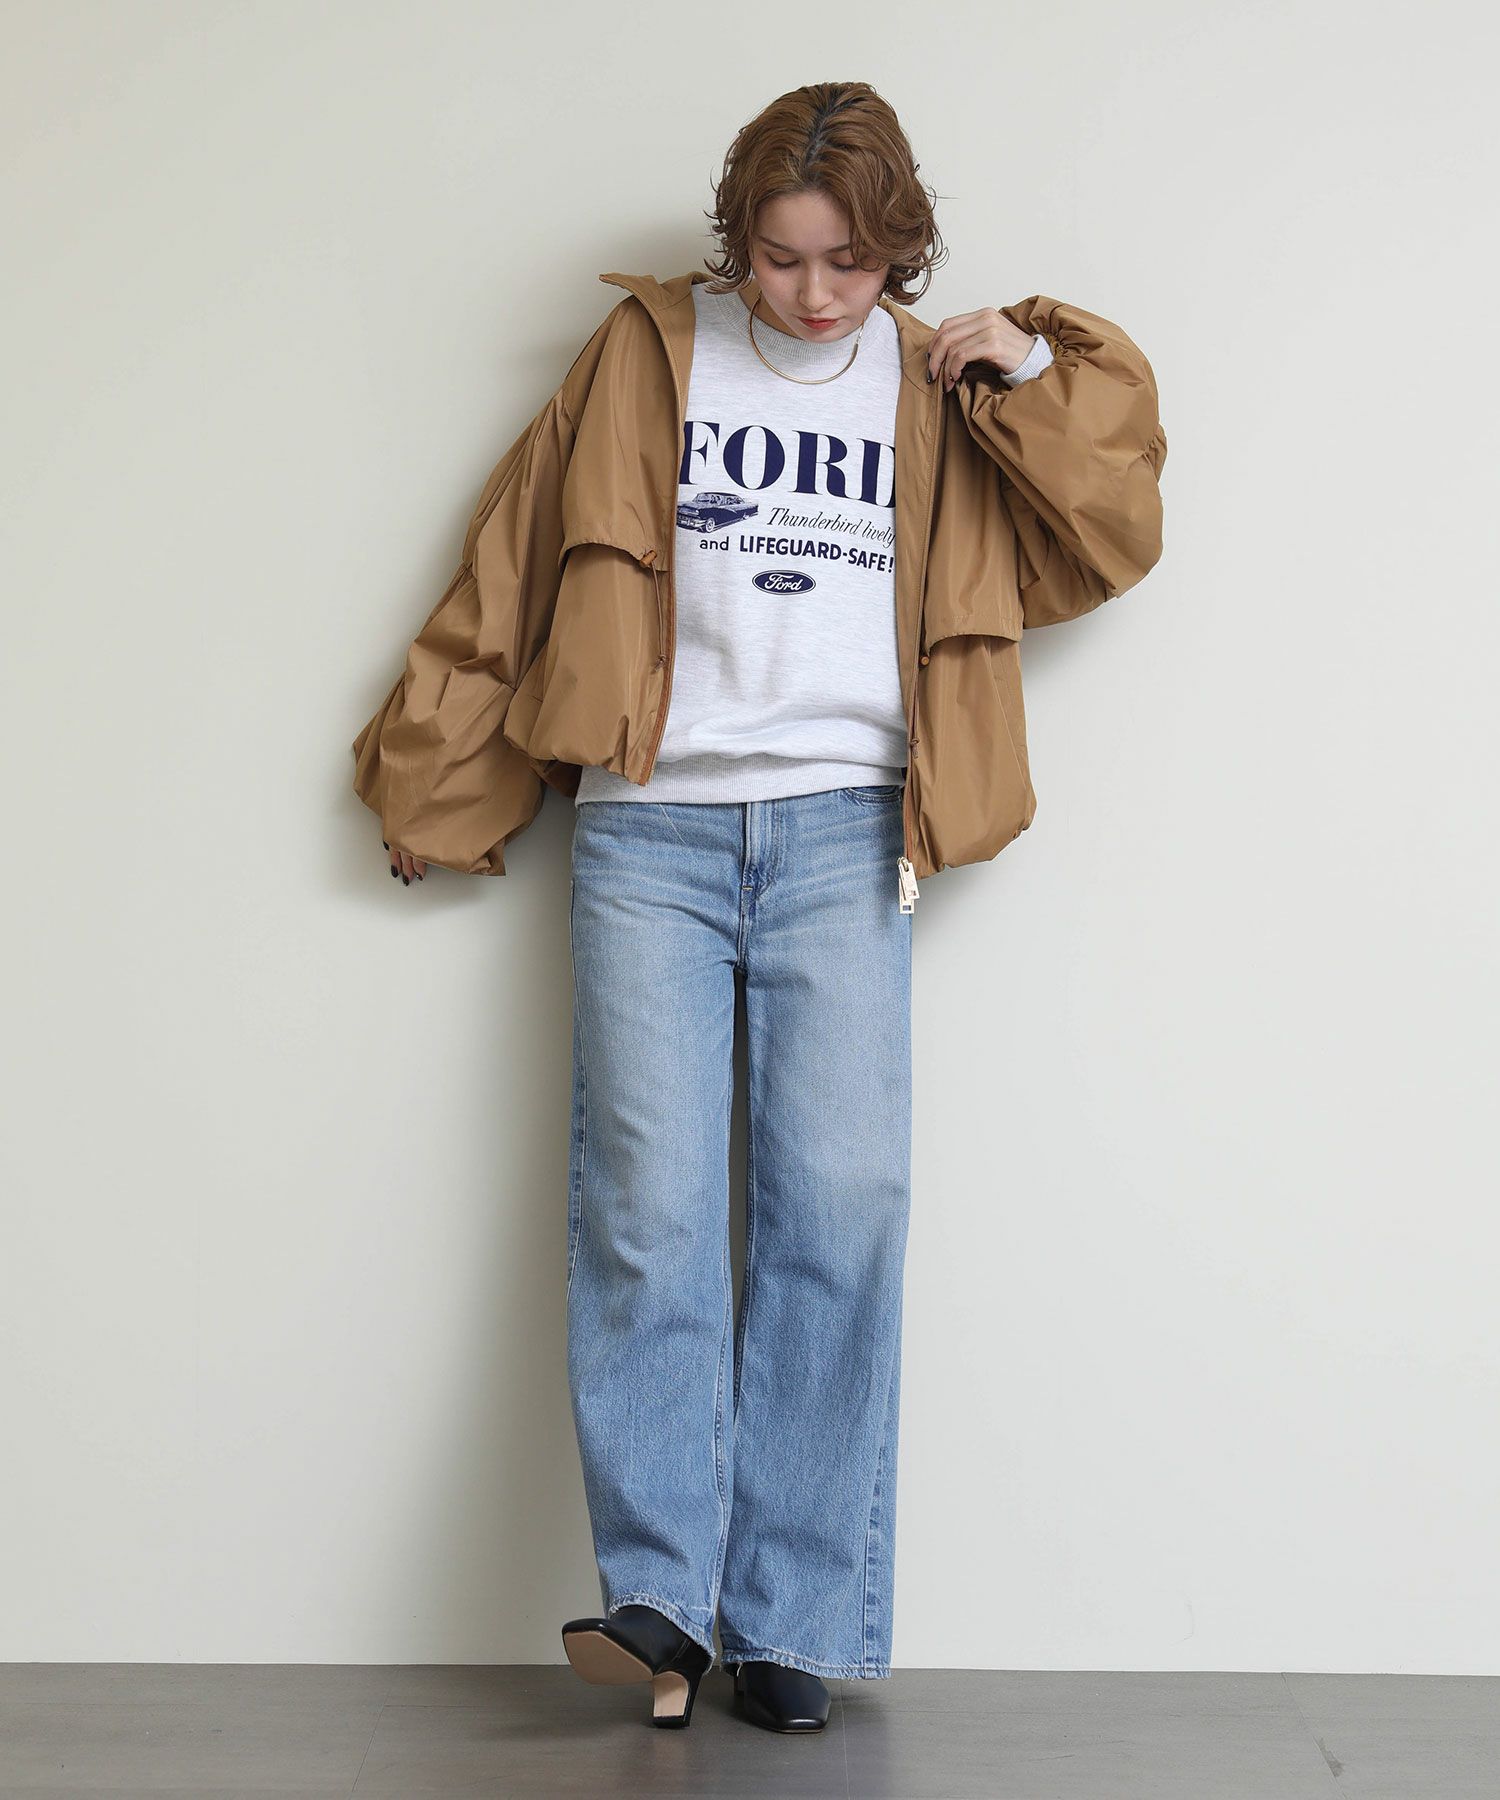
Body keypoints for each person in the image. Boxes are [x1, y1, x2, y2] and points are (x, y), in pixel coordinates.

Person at [352, 81, 1166, 1735]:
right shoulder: (648, 354)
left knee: (839, 1208)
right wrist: (436, 780)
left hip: (851, 834)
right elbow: (514, 557)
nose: (814, 294)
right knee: (647, 1208)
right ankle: (659, 1602)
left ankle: (791, 1617)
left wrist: (1030, 365)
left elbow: (1110, 532)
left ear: (900, 252)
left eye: (850, 264)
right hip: (651, 830)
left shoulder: (942, 380)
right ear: (739, 243)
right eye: (784, 259)